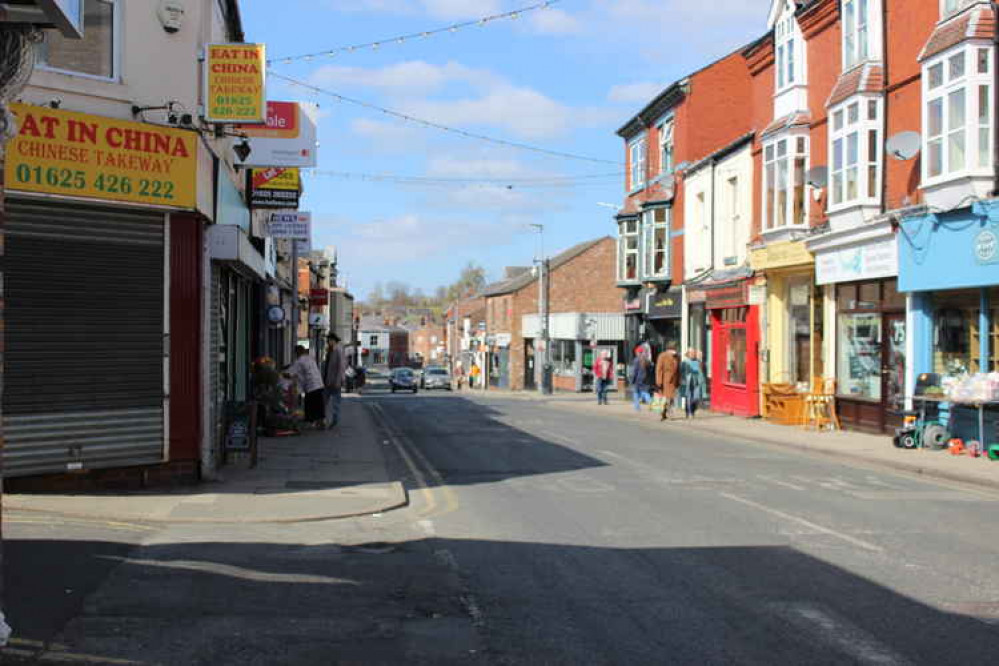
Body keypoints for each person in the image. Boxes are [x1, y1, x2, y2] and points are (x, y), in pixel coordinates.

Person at [288, 346, 325, 428]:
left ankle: (310, 421)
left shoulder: (299, 361)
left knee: (309, 404)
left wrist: (282, 373)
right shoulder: (310, 359)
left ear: (297, 353)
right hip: (319, 383)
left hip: (311, 385)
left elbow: (290, 373)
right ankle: (321, 420)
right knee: (319, 403)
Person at [323, 333, 347, 429]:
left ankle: (334, 420)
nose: (328, 342)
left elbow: (341, 367)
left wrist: (338, 381)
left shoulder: (338, 350)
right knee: (324, 401)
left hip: (334, 381)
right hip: (328, 381)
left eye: (329, 340)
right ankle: (324, 420)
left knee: (335, 402)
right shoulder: (331, 350)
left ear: (333, 340)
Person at [679, 348, 707, 418]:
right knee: (688, 397)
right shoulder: (684, 362)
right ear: (688, 354)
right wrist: (682, 380)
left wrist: (702, 381)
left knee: (696, 398)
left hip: (696, 382)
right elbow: (681, 372)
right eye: (691, 353)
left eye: (693, 353)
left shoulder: (697, 362)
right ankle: (689, 412)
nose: (693, 354)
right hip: (688, 382)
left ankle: (693, 410)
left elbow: (701, 372)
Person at [655, 347, 681, 421]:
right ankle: (664, 413)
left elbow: (678, 369)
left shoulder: (677, 357)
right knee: (665, 398)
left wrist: (678, 380)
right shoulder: (662, 356)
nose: (675, 351)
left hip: (673, 380)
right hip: (664, 380)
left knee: (671, 398)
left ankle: (669, 413)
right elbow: (659, 369)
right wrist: (659, 381)